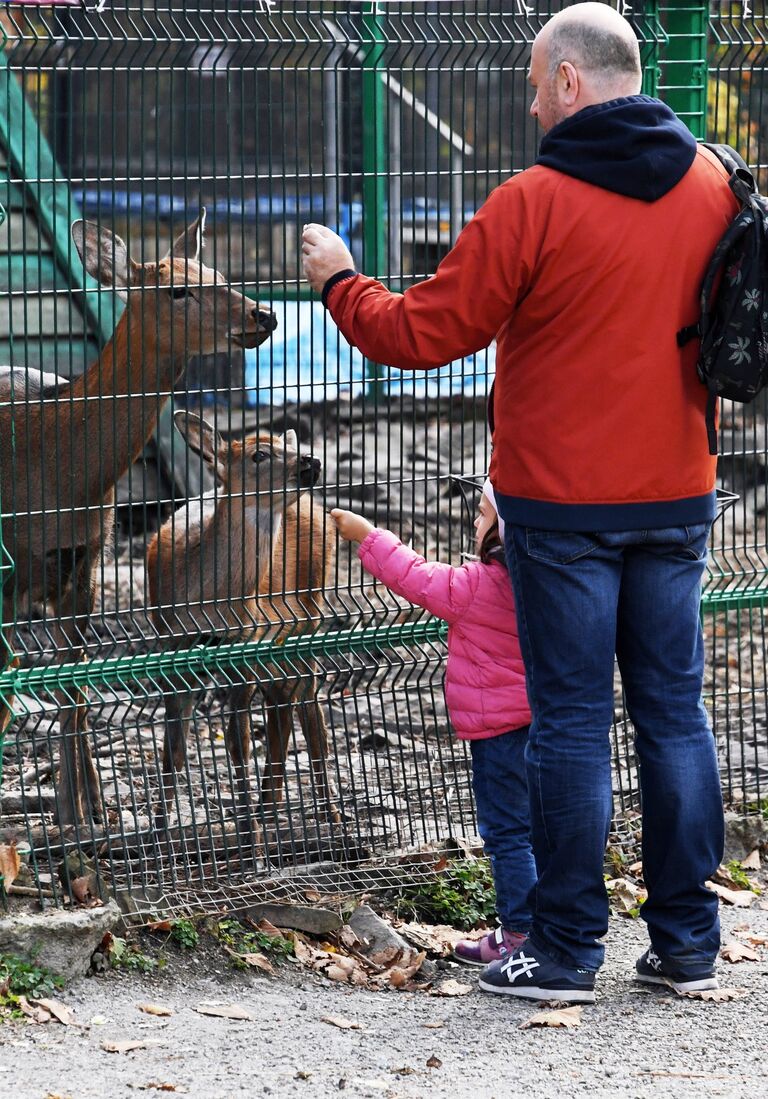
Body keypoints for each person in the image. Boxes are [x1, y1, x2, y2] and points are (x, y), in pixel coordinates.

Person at [303, 2, 739, 1003]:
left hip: (563, 511)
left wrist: (339, 285)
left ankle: (567, 949)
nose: (530, 97)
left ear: (574, 83)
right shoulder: (718, 183)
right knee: (676, 717)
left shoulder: (534, 200)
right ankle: (687, 941)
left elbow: (422, 331)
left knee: (574, 724)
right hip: (679, 493)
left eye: (537, 80)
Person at [330, 485, 537, 968]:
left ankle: (519, 932)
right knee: (547, 829)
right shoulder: (555, 582)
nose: (474, 522)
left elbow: (417, 577)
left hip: (496, 731)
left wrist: (368, 536)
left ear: (504, 530)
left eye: (482, 515)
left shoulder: (478, 585)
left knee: (508, 833)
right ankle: (556, 922)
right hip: (550, 724)